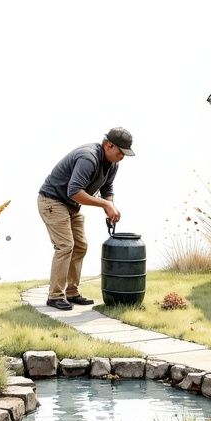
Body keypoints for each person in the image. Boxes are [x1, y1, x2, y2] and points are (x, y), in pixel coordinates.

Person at [37, 127, 135, 310]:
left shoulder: (113, 164)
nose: (122, 156)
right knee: (65, 246)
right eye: (120, 152)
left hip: (71, 206)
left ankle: (71, 292)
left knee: (80, 245)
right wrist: (105, 205)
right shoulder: (88, 158)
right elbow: (73, 191)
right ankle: (55, 296)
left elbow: (107, 189)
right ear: (108, 145)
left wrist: (110, 205)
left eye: (125, 154)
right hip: (52, 201)